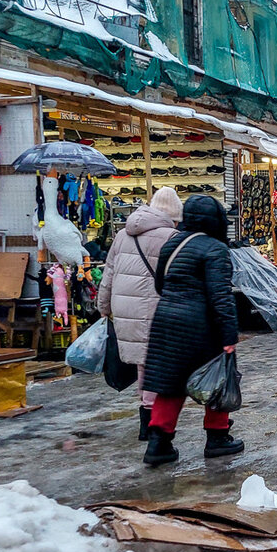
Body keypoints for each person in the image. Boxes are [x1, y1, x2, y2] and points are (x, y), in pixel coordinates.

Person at [141, 195, 243, 466]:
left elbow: (160, 284)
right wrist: (229, 336)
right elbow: (220, 295)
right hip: (201, 323)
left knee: (170, 383)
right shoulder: (216, 248)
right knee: (218, 378)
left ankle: (158, 444)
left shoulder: (173, 243)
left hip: (166, 319)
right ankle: (217, 438)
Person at [96, 186, 182, 441]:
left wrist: (103, 307)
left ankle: (147, 420)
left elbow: (108, 273)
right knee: (153, 367)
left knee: (143, 364)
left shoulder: (124, 234)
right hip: (154, 309)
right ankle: (151, 425)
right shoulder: (171, 237)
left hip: (125, 309)